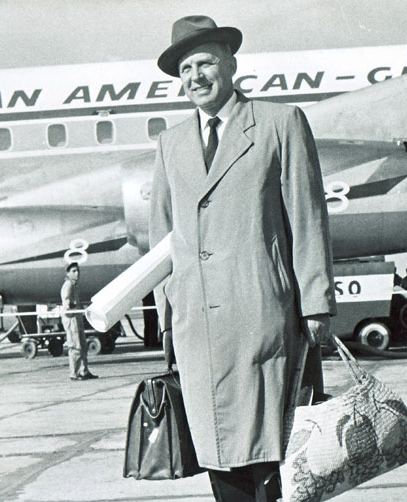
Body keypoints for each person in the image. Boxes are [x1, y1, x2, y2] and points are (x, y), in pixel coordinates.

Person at [149, 15, 336, 502]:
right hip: (198, 331)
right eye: (186, 68)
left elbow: (308, 217)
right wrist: (167, 320)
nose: (196, 76)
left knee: (282, 463)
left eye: (205, 62)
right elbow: (161, 243)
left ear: (230, 64)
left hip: (265, 317)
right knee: (221, 460)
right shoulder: (170, 144)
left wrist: (315, 303)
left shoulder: (280, 123)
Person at [60, 263, 98, 381]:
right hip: (72, 320)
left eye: (78, 271)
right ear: (68, 273)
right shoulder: (68, 286)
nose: (77, 273)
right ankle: (74, 374)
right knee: (75, 347)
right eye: (74, 271)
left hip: (77, 319)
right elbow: (67, 305)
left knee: (83, 346)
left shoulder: (74, 285)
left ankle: (84, 371)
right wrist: (73, 308)